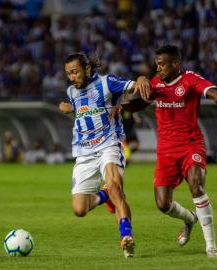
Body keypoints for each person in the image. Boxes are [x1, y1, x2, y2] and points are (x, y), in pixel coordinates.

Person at [122, 45, 217, 257]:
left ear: (175, 64)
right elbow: (131, 103)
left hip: (191, 144)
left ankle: (211, 246)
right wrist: (139, 81)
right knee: (162, 204)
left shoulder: (190, 79)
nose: (158, 68)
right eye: (157, 64)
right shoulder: (154, 83)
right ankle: (190, 219)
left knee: (196, 185)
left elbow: (209, 89)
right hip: (165, 151)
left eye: (162, 64)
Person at [58, 52, 149, 258]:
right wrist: (67, 108)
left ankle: (126, 235)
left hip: (109, 144)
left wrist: (142, 80)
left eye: (75, 72)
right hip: (83, 153)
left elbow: (133, 86)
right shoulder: (72, 91)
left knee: (116, 188)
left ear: (87, 69)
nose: (71, 77)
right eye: (68, 74)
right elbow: (81, 108)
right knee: (79, 209)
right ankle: (104, 194)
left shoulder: (107, 83)